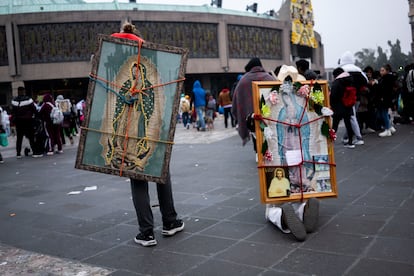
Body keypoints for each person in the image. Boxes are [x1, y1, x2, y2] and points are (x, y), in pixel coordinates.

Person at [112, 22, 184, 247]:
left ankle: (147, 232)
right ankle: (170, 221)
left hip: (134, 130)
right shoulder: (153, 61)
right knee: (160, 172)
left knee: (138, 178)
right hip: (149, 129)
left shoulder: (115, 57)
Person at [232, 57, 275, 149]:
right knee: (270, 139)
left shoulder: (243, 81)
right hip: (269, 116)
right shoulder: (269, 78)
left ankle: (258, 153)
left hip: (251, 118)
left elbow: (237, 101)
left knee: (256, 136)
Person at [338, 51, 367, 146]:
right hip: (357, 97)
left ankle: (358, 137)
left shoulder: (342, 69)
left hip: (346, 98)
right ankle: (347, 137)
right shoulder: (358, 70)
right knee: (350, 117)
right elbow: (365, 81)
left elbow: (337, 83)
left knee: (351, 117)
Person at [330, 67, 356, 149]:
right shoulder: (350, 80)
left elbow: (333, 95)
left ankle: (330, 141)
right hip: (347, 106)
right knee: (348, 124)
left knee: (335, 125)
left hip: (338, 107)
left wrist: (331, 105)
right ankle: (350, 142)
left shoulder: (337, 82)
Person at [11, 86, 37, 158]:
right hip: (28, 121)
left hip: (18, 122)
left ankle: (18, 153)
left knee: (19, 138)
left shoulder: (14, 101)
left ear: (18, 91)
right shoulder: (28, 100)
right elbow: (34, 109)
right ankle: (34, 152)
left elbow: (13, 112)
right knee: (31, 137)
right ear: (24, 91)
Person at [376, 64, 397, 137]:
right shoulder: (388, 78)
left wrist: (376, 84)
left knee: (384, 113)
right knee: (383, 113)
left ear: (387, 71)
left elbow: (384, 89)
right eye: (380, 70)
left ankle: (387, 129)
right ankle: (390, 127)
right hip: (386, 98)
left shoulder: (386, 79)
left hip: (384, 99)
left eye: (382, 70)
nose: (381, 72)